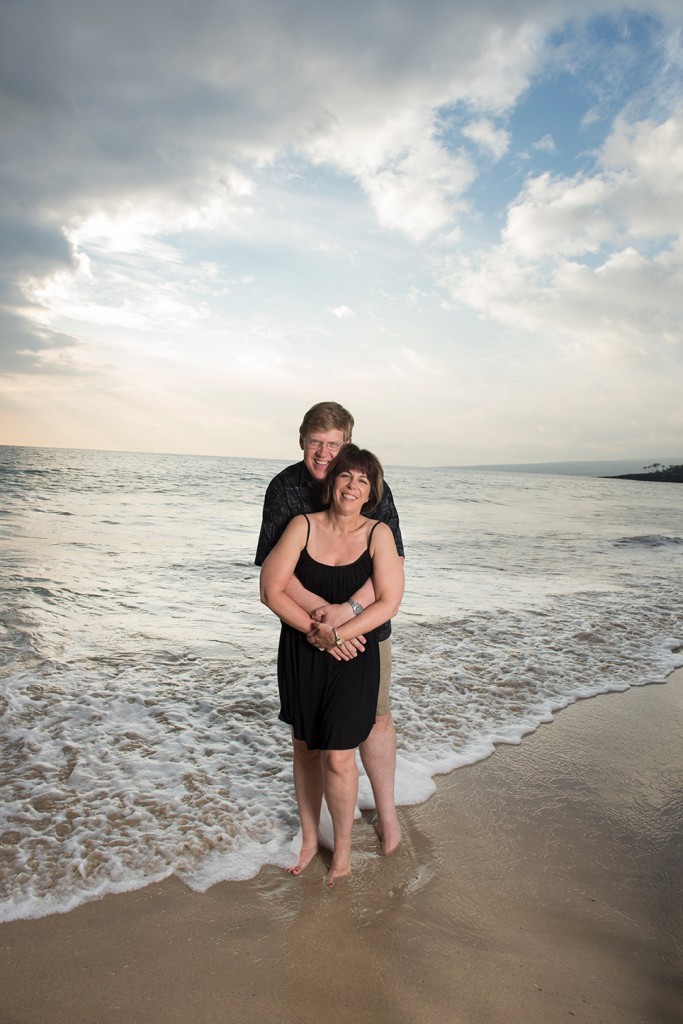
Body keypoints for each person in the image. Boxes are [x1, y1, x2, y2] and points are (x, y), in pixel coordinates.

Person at [255, 401, 405, 854]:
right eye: (316, 443)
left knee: (376, 719)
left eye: (333, 445)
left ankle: (388, 817)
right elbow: (274, 571)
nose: (323, 453)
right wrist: (323, 616)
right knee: (308, 737)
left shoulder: (368, 487)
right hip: (306, 630)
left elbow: (390, 564)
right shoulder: (284, 489)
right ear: (303, 440)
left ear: (346, 446)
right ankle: (314, 835)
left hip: (366, 630)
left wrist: (349, 612)